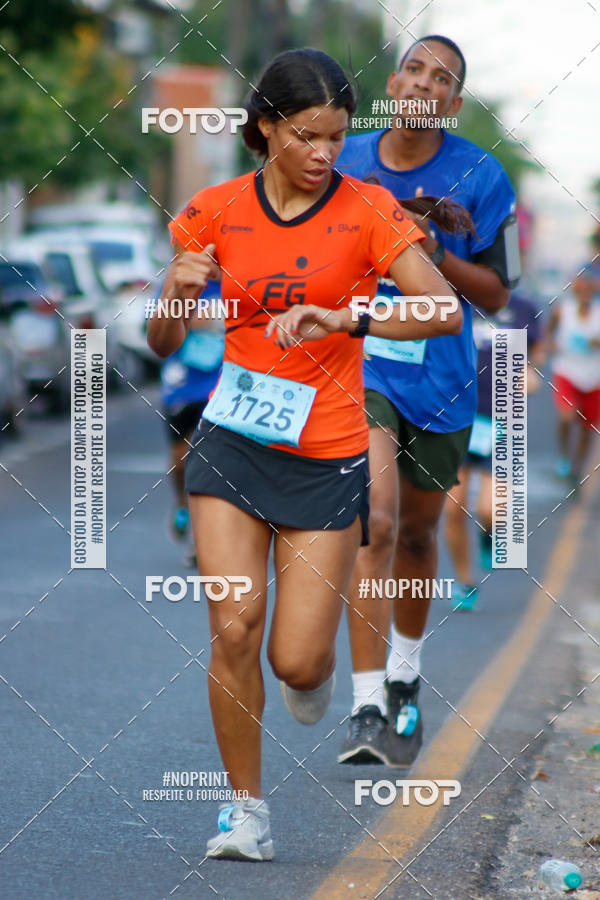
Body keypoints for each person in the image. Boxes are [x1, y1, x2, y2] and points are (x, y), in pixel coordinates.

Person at [148, 47, 463, 862]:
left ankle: (315, 671)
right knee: (233, 624)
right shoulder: (213, 210)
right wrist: (174, 296)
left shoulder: (367, 211)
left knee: (295, 660)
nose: (325, 153)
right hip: (234, 439)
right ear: (265, 128)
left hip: (327, 453)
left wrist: (349, 317)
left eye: (336, 136)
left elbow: (441, 312)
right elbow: (161, 339)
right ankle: (245, 811)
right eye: (308, 136)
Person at [335, 35, 520, 767]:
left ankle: (406, 680)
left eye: (441, 78)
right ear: (393, 81)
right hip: (365, 361)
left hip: (441, 377)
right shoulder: (346, 162)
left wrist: (434, 253)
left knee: (416, 536)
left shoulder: (480, 173)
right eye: (414, 69)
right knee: (374, 524)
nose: (424, 83)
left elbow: (499, 294)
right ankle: (364, 705)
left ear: (454, 101)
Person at [444, 292, 545, 610]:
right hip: (459, 418)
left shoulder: (524, 307)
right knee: (452, 508)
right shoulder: (459, 303)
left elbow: (537, 354)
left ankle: (488, 535)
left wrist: (530, 373)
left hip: (502, 419)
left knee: (491, 509)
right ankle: (466, 583)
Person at [159, 280, 224, 564]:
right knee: (181, 458)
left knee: (212, 462)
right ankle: (182, 502)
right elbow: (151, 331)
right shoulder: (179, 280)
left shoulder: (240, 279)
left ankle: (203, 542)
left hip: (224, 382)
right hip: (183, 384)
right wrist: (185, 318)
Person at [547, 266, 600, 491]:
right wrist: (549, 346)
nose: (585, 289)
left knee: (588, 430)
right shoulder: (563, 310)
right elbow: (548, 332)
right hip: (566, 371)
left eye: (590, 285)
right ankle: (564, 456)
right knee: (567, 416)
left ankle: (576, 470)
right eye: (581, 284)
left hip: (594, 377)